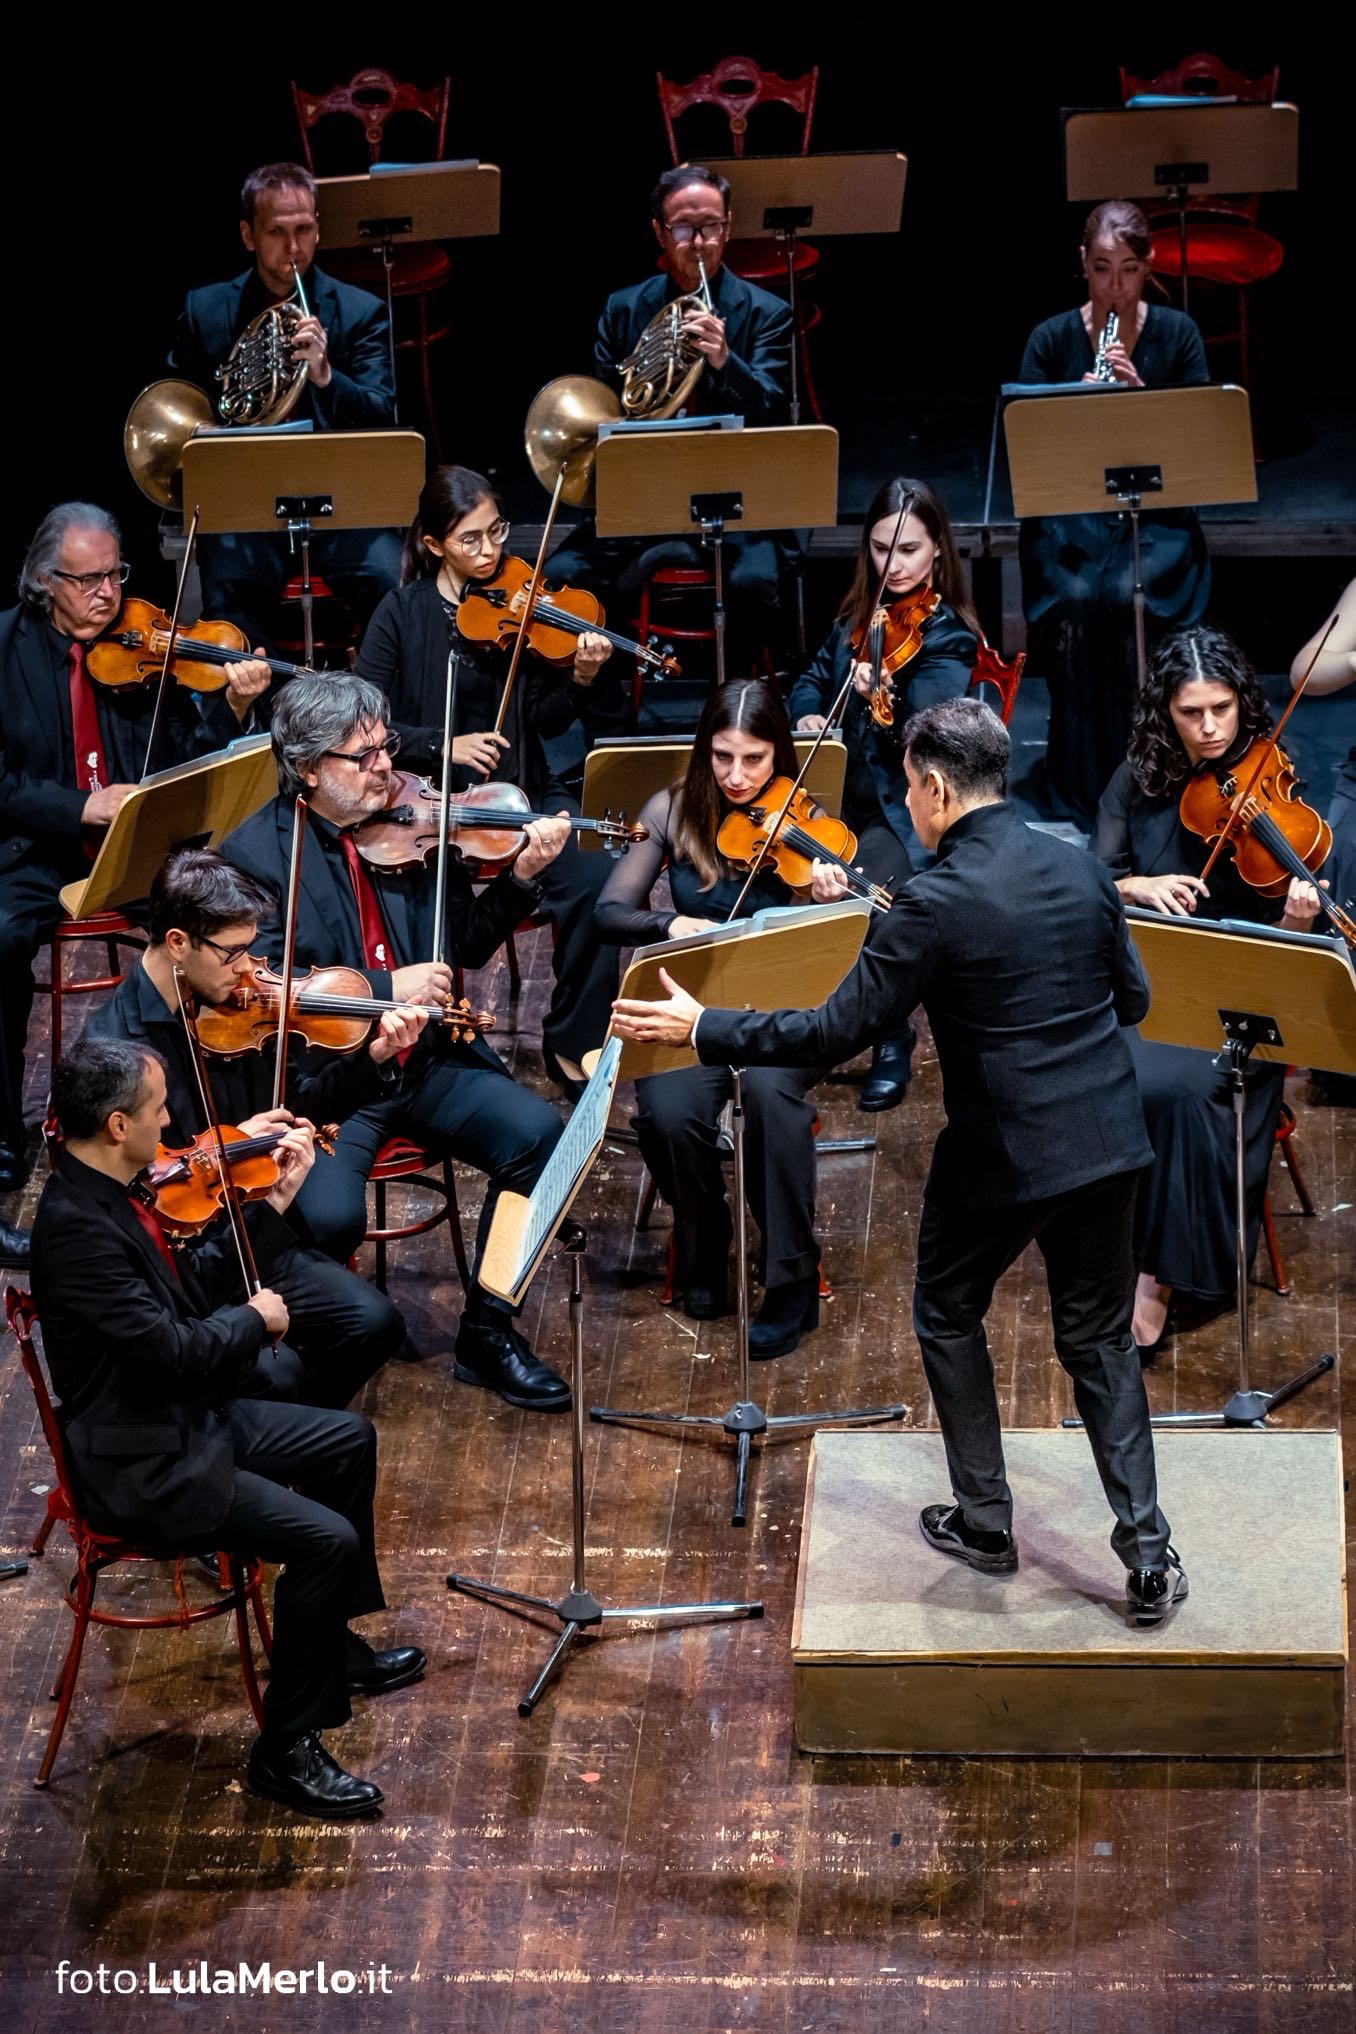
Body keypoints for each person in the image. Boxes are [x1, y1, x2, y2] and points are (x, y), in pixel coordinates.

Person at [614, 697, 1187, 1626]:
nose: (910, 807)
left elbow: (833, 1031)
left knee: (948, 1314)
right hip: (1109, 1144)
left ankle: (987, 1523)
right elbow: (1133, 1002)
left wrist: (702, 1025)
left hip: (1002, 1155)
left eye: (912, 790)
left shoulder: (932, 900)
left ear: (934, 789)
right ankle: (1148, 1557)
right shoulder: (1081, 867)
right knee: (1099, 1342)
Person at [31, 1038, 425, 1819]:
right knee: (326, 1541)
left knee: (349, 1441)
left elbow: (186, 1297)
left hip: (177, 1418)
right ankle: (285, 1748)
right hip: (146, 1463)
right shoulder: (79, 1233)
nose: (169, 1123)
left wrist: (269, 1209)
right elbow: (178, 1351)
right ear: (116, 1125)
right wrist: (255, 1319)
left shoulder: (114, 1191)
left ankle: (326, 1647)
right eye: (157, 1110)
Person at [221, 675, 573, 1411]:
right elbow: (263, 991)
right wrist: (387, 984)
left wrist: (520, 878)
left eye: (386, 746)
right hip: (333, 1082)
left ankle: (487, 1330)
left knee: (543, 1139)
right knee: (327, 1216)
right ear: (308, 768)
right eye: (365, 756)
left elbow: (462, 946)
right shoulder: (255, 857)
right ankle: (311, 1347)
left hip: (425, 1060)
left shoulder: (412, 823)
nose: (388, 766)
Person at [0, 503, 269, 1257]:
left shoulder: (143, 648)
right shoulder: (4, 648)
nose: (106, 595)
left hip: (136, 851)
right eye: (85, 580)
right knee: (0, 938)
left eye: (114, 575)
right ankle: (3, 1133)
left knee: (219, 921)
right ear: (43, 581)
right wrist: (80, 804)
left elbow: (187, 758)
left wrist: (233, 706)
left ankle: (212, 1106)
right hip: (40, 847)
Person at [89, 848, 423, 1406]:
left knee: (375, 1323)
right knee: (274, 1372)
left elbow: (300, 1105)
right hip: (182, 1261)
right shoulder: (115, 1051)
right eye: (233, 953)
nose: (249, 969)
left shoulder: (235, 1009)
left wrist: (374, 1059)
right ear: (178, 943)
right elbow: (128, 1193)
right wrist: (230, 1146)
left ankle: (294, 1435)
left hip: (253, 1230)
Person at [596, 680, 858, 1359]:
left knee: (771, 1097)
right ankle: (704, 1239)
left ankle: (791, 1277)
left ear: (779, 755)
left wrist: (821, 897)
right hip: (693, 1001)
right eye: (722, 757)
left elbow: (842, 938)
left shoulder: (805, 818)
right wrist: (669, 923)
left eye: (754, 759)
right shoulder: (673, 810)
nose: (737, 777)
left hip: (782, 1005)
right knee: (668, 1112)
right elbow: (609, 911)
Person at [1095, 626, 1324, 1355]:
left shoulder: (1272, 774)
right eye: (1191, 712)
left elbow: (1294, 942)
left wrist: (1298, 917)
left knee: (1179, 1091)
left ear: (1240, 702)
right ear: (1165, 711)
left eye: (1222, 708)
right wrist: (1136, 884)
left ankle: (1160, 1279)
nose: (1210, 728)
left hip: (1243, 992)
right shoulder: (1138, 779)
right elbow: (1091, 879)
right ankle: (1106, 1243)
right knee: (1106, 1071)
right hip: (1150, 981)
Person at [357, 466, 621, 1098]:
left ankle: (572, 1042)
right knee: (443, 927)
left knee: (595, 885)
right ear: (434, 545)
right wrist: (439, 744)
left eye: (497, 531)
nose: (490, 551)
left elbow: (546, 717)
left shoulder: (520, 606)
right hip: (427, 808)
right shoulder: (401, 613)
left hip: (521, 791)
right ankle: (440, 1052)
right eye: (470, 539)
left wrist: (581, 678)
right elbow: (362, 719)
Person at [547, 165, 794, 702]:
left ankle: (739, 704)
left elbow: (773, 410)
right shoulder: (624, 309)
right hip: (647, 499)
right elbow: (607, 410)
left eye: (710, 226)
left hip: (734, 503)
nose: (699, 242)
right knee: (561, 575)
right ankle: (601, 698)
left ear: (728, 228)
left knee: (755, 582)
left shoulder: (767, 314)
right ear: (659, 232)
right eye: (684, 228)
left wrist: (725, 361)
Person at [790, 475, 981, 1109]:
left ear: (938, 549)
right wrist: (811, 710)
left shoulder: (948, 636)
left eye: (908, 550)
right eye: (879, 549)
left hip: (905, 807)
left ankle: (891, 1037)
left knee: (869, 887)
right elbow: (810, 678)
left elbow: (929, 736)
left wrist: (880, 699)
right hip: (838, 795)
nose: (892, 565)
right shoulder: (858, 616)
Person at [1019, 200, 1212, 825]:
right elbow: (1029, 445)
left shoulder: (1177, 334)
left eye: (1128, 270)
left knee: (1136, 588)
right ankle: (1084, 779)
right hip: (1073, 511)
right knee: (1080, 595)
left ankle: (1155, 773)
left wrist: (1138, 403)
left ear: (1146, 267)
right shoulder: (1051, 339)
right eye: (1102, 269)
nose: (1115, 286)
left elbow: (1198, 440)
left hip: (1154, 511)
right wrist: (1074, 412)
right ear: (1083, 263)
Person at [168, 162, 400, 652]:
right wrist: (203, 430)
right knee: (229, 599)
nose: (293, 247)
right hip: (246, 503)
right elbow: (178, 402)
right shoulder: (205, 309)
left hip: (339, 501)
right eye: (276, 232)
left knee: (390, 579)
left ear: (318, 228)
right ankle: (260, 698)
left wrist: (326, 376)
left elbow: (382, 415)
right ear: (248, 235)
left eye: (304, 230)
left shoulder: (360, 312)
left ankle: (379, 697)